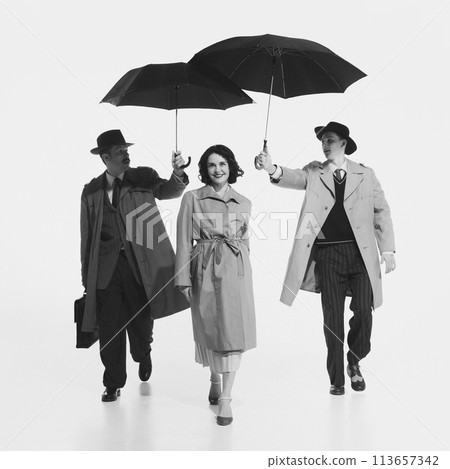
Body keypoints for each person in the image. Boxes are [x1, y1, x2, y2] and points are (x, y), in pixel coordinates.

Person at [256, 122, 396, 395]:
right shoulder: (313, 172)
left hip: (360, 255)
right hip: (328, 255)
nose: (325, 144)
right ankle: (337, 380)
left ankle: (354, 360)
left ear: (343, 142)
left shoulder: (366, 174)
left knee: (365, 314)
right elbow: (292, 177)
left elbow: (382, 211)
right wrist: (271, 168)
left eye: (330, 139)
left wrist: (388, 249)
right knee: (332, 318)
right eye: (322, 141)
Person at [80, 129, 190, 402]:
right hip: (106, 270)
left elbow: (169, 190)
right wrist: (86, 280)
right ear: (106, 157)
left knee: (141, 320)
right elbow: (86, 237)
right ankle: (113, 383)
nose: (126, 154)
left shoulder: (143, 177)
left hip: (140, 264)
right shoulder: (91, 191)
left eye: (126, 149)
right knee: (110, 327)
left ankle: (143, 352)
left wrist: (177, 173)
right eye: (120, 151)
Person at [175, 144, 256, 425]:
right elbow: (184, 240)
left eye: (222, 164)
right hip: (205, 267)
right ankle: (214, 378)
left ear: (231, 167)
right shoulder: (192, 199)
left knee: (234, 331)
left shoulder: (244, 202)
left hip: (235, 270)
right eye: (211, 165)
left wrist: (244, 272)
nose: (218, 169)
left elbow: (245, 242)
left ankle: (226, 399)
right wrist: (183, 278)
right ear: (204, 170)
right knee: (210, 327)